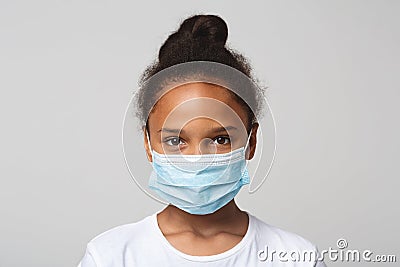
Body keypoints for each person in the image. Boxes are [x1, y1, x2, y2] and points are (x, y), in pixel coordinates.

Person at [78, 14, 327, 267]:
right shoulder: (110, 257)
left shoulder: (296, 258)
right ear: (148, 143)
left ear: (251, 142)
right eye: (176, 141)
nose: (198, 159)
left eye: (220, 139)